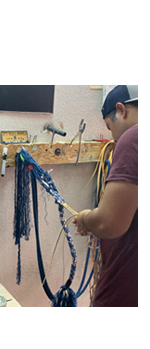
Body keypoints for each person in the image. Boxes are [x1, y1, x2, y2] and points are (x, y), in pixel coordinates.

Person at [72, 85, 138, 307]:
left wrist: (86, 218)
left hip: (127, 289)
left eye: (110, 128)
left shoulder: (134, 137)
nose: (114, 138)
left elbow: (109, 223)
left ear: (121, 110)